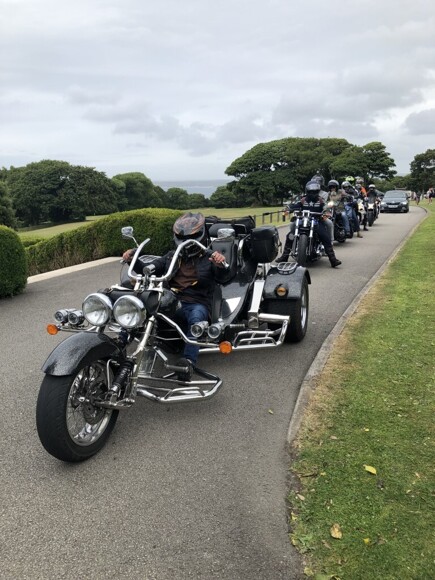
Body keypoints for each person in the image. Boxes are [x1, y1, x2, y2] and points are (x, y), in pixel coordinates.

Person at [123, 212, 226, 379]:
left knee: (197, 319)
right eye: (181, 237)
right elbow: (149, 269)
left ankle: (188, 362)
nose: (185, 241)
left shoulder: (210, 257)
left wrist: (220, 264)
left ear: (200, 235)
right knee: (138, 307)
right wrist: (132, 259)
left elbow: (223, 278)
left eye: (190, 237)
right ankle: (119, 343)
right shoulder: (172, 256)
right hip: (170, 299)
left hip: (196, 302)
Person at [276, 180, 342, 268]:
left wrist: (326, 212)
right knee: (290, 235)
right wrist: (288, 208)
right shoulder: (303, 200)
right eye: (311, 192)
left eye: (314, 191)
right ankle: (284, 256)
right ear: (307, 191)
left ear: (317, 191)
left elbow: (325, 207)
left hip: (317, 221)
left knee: (324, 236)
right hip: (303, 221)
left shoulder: (320, 200)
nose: (312, 193)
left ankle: (332, 259)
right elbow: (295, 206)